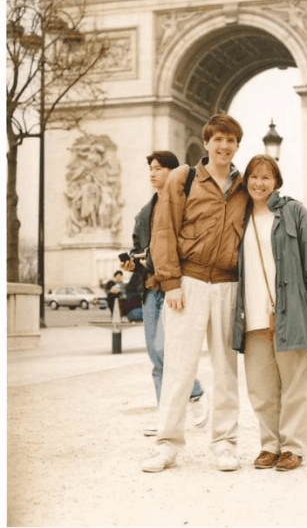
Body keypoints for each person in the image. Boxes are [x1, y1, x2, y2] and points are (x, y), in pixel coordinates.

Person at [142, 114, 248, 473]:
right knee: (178, 367)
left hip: (228, 284)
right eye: (218, 139)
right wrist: (170, 281)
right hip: (188, 283)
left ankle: (225, 443)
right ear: (206, 143)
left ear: (237, 145)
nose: (224, 146)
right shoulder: (182, 179)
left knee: (226, 370)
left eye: (230, 140)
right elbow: (163, 230)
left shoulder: (245, 185)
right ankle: (167, 444)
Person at [232, 155, 307, 472]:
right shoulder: (238, 216)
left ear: (277, 181)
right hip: (252, 317)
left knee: (294, 387)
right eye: (254, 176)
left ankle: (292, 448)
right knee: (261, 389)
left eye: (267, 177)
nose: (259, 182)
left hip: (290, 313)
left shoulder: (295, 213)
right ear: (245, 180)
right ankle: (269, 446)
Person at [121, 151, 208, 436]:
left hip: (174, 287)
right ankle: (166, 419)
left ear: (174, 172)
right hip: (150, 288)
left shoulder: (186, 204)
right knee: (155, 355)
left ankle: (194, 393)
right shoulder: (144, 212)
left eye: (158, 168)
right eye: (150, 168)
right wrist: (133, 261)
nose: (152, 173)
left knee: (166, 351)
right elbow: (138, 247)